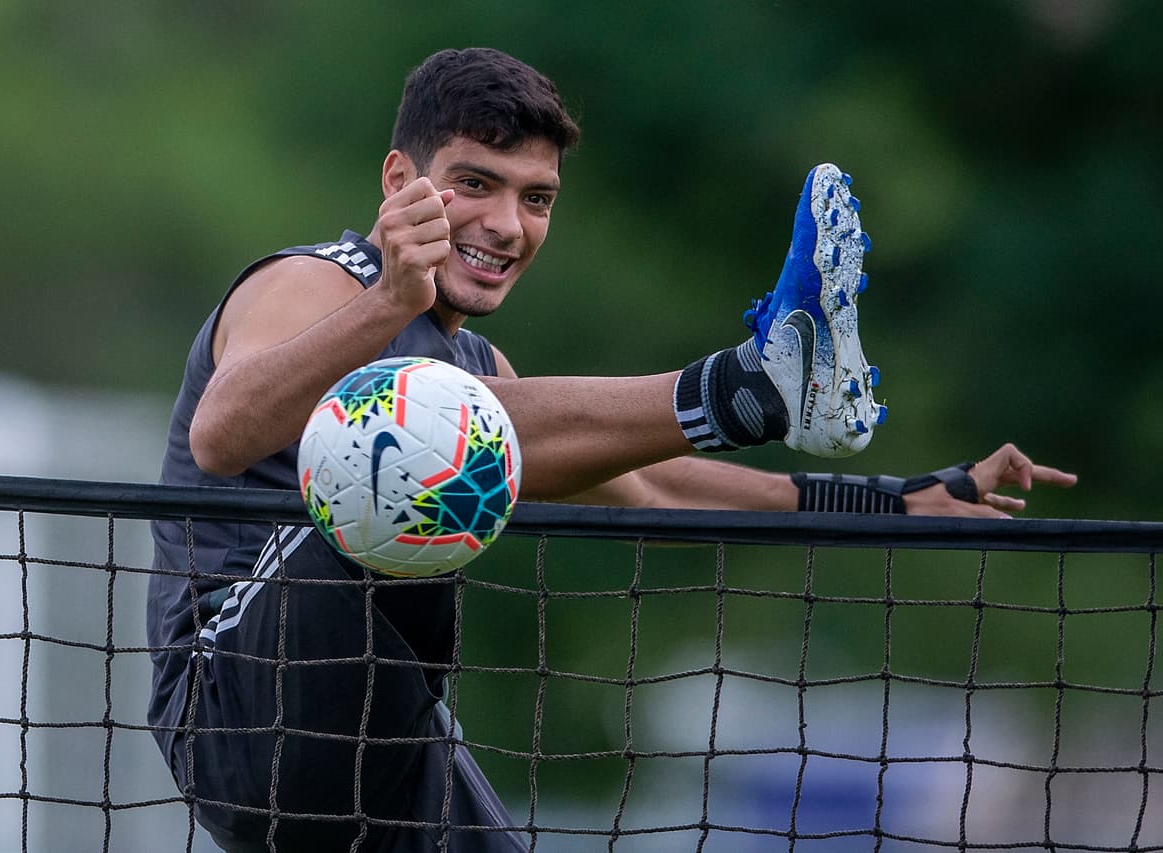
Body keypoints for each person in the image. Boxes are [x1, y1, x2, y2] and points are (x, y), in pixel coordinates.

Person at [147, 47, 1076, 852]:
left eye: (536, 198)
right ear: (399, 182)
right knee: (443, 422)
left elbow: (655, 490)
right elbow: (220, 437)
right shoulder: (314, 282)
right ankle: (749, 384)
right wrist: (390, 300)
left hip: (388, 738)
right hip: (239, 713)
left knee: (465, 421)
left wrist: (895, 501)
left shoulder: (479, 378)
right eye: (476, 183)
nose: (507, 225)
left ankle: (760, 390)